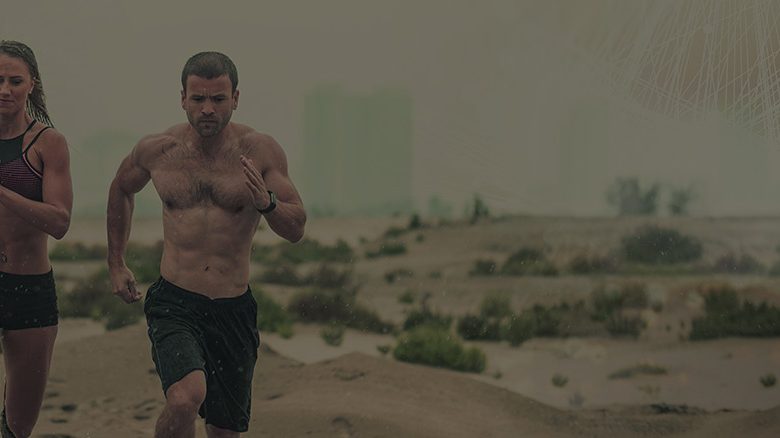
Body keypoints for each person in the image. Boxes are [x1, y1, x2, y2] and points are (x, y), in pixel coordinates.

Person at [107, 51, 305, 438]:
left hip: (234, 307)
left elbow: (296, 226)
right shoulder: (158, 150)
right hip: (175, 301)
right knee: (184, 399)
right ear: (182, 98)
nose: (208, 109)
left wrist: (267, 203)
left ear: (235, 98)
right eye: (198, 99)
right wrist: (116, 262)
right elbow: (121, 189)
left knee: (223, 431)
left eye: (218, 98)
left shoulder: (261, 151)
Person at [0, 41, 73, 437]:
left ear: (32, 84)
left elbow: (60, 222)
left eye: (14, 80)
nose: (4, 89)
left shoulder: (48, 143)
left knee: (18, 425)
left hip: (29, 289)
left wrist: (3, 192)